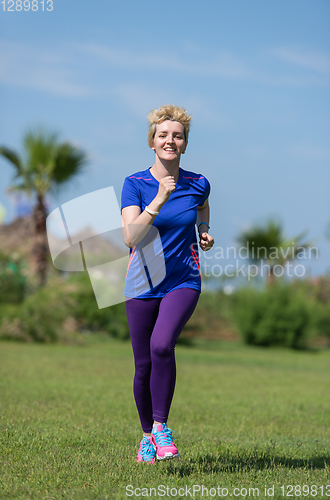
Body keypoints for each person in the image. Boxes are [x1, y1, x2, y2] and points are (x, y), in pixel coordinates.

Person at [121, 104, 214, 463]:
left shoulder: (198, 182)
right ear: (152, 142)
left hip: (183, 279)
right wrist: (159, 198)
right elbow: (131, 237)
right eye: (163, 135)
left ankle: (161, 427)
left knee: (163, 345)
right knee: (143, 365)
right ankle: (146, 437)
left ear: (185, 144)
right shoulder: (136, 184)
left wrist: (203, 230)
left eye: (177, 135)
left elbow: (202, 206)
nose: (170, 140)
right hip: (142, 281)